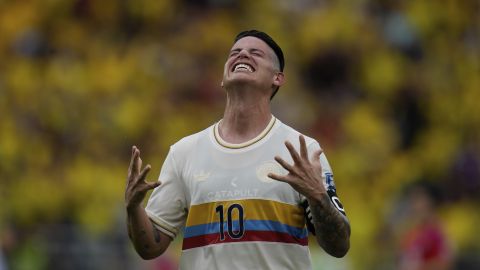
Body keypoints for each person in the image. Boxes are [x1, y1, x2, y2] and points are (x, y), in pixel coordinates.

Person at [125, 30, 350, 270]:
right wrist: (133, 208)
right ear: (223, 78)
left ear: (277, 78)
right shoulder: (184, 152)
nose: (242, 54)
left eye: (256, 53)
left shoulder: (301, 150)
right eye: (235, 53)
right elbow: (150, 247)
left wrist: (317, 195)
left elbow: (339, 246)